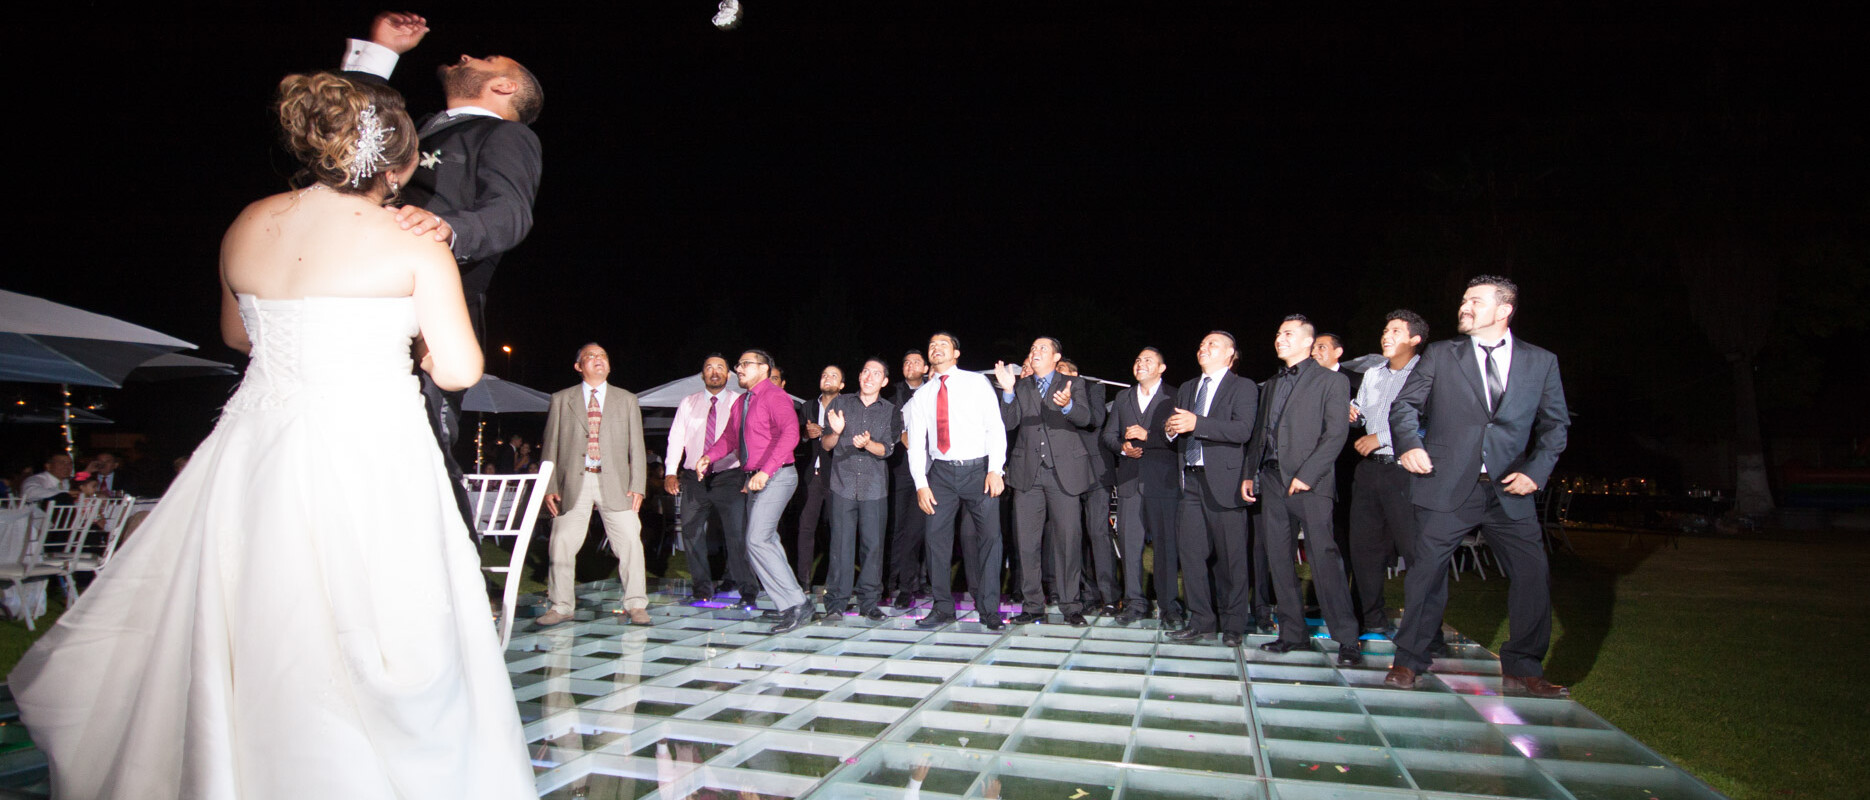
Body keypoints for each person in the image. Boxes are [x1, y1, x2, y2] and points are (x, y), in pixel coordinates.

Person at [8, 73, 535, 799]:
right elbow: (460, 369)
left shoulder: (247, 224)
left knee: (253, 606)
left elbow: (237, 335)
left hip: (257, 440)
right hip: (372, 444)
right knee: (379, 614)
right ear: (401, 162)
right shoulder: (412, 239)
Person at [343, 11, 545, 538]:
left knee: (419, 453)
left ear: (504, 86)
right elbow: (336, 134)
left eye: (487, 59)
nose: (467, 56)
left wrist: (447, 228)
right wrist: (379, 55)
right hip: (356, 299)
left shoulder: (506, 136)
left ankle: (456, 574)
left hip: (430, 316)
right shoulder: (420, 125)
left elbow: (510, 213)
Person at [1386, 275, 1572, 698]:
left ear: (1504, 310)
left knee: (1533, 574)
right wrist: (1410, 445)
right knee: (1426, 574)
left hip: (1509, 488)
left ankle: (1523, 666)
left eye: (1476, 301)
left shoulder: (1541, 361)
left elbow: (1555, 425)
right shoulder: (1440, 354)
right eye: (1465, 300)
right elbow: (1405, 406)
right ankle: (1408, 660)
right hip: (1447, 485)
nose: (1464, 306)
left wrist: (1536, 471)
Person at [1242, 315, 1360, 666]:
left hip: (1311, 482)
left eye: (1288, 334)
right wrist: (1249, 473)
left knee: (1323, 558)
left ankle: (1347, 639)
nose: (1280, 338)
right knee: (1279, 559)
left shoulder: (1332, 381)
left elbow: (1336, 433)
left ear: (1309, 342)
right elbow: (1261, 433)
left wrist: (1307, 474)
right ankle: (1292, 633)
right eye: (1278, 333)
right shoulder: (1272, 384)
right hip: (1272, 480)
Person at [536, 344, 651, 626]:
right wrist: (550, 485)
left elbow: (637, 447)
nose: (598, 360)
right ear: (578, 366)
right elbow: (550, 447)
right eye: (591, 356)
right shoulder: (561, 399)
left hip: (617, 483)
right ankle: (561, 606)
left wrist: (638, 485)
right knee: (561, 543)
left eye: (603, 356)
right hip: (573, 482)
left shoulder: (627, 399)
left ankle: (636, 604)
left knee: (630, 542)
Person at [699, 350, 812, 634]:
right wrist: (708, 457)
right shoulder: (742, 402)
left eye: (745, 364)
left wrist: (765, 471)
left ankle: (797, 603)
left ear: (764, 369)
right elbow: (728, 438)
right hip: (755, 479)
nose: (738, 369)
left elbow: (790, 434)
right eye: (738, 365)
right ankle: (789, 604)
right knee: (765, 541)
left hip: (777, 475)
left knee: (757, 540)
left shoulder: (776, 396)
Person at [905, 332, 1008, 630]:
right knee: (935, 540)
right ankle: (942, 607)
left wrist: (995, 469)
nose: (936, 348)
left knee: (990, 538)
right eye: (932, 345)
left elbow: (995, 426)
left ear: (956, 353)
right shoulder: (922, 395)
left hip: (979, 470)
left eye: (943, 344)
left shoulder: (977, 383)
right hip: (940, 474)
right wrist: (920, 484)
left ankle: (989, 609)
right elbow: (916, 443)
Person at [1165, 332, 1259, 645]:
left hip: (1226, 482)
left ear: (1231, 354)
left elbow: (1243, 430)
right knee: (1191, 555)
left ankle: (1234, 624)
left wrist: (1198, 424)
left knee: (1232, 559)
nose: (1203, 347)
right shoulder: (1188, 388)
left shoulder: (1243, 386)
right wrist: (1171, 429)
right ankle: (1201, 621)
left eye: (1212, 344)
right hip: (1190, 480)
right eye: (1202, 344)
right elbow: (1179, 428)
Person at [994, 337, 1094, 626]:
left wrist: (1068, 405)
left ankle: (1071, 605)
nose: (1035, 351)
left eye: (1042, 348)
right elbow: (1008, 423)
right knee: (1027, 543)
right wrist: (1008, 392)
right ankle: (1033, 605)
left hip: (1064, 474)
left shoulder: (1073, 383)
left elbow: (1086, 418)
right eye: (1032, 348)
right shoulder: (1021, 385)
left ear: (1056, 356)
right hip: (1028, 474)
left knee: (1068, 541)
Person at [1346, 310, 1428, 636]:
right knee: (1365, 551)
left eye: (1395, 330)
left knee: (1416, 551)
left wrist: (1381, 437)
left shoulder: (1425, 374)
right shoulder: (1373, 374)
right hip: (1369, 472)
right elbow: (1363, 414)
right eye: (1385, 330)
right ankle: (1373, 621)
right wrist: (1352, 413)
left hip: (1405, 471)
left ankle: (1426, 630)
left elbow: (1430, 420)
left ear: (1415, 339)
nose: (1386, 335)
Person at [663, 354, 751, 604]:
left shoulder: (738, 402)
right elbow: (676, 438)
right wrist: (670, 471)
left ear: (728, 375)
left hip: (729, 476)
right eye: (709, 368)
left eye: (720, 367)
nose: (714, 372)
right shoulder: (688, 403)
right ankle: (702, 588)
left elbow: (746, 440)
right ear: (702, 375)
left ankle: (742, 586)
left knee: (736, 534)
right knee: (691, 531)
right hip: (694, 479)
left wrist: (749, 474)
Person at [1103, 347, 1181, 627]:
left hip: (1163, 483)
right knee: (1129, 545)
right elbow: (1108, 435)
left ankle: (1169, 606)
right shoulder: (1123, 398)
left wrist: (1149, 436)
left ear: (1161, 368)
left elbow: (1181, 438)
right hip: (1129, 482)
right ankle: (1134, 603)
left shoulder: (1175, 396)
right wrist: (1122, 448)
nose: (1140, 364)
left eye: (1148, 360)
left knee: (1165, 546)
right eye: (1137, 360)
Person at [818, 358, 899, 621]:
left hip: (874, 488)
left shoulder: (890, 411)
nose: (869, 377)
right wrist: (836, 432)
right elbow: (826, 445)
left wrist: (868, 444)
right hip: (842, 485)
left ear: (884, 381)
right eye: (865, 371)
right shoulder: (840, 403)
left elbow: (887, 449)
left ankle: (869, 603)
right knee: (840, 546)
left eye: (876, 374)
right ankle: (836, 603)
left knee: (873, 547)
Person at [1059, 358, 1120, 616]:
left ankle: (1110, 597)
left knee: (1098, 533)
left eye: (1062, 370)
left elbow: (1095, 419)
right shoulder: (1048, 395)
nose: (1058, 374)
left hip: (1095, 473)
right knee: (1073, 537)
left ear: (1075, 374)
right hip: (1065, 475)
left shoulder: (1093, 388)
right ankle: (1087, 593)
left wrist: (1069, 403)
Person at [886, 350, 930, 608]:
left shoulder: (935, 390)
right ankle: (890, 581)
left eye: (916, 362)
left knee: (917, 529)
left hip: (928, 470)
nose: (910, 365)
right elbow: (885, 425)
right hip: (899, 470)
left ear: (925, 368)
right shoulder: (891, 394)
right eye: (906, 362)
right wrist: (900, 434)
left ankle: (909, 585)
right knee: (895, 528)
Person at [794, 365, 845, 586]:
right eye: (824, 375)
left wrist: (826, 432)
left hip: (837, 477)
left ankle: (837, 583)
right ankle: (803, 582)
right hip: (811, 477)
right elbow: (795, 440)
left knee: (838, 530)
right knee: (805, 528)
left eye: (833, 376)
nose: (827, 378)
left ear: (841, 385)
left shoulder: (847, 406)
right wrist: (806, 434)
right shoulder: (807, 407)